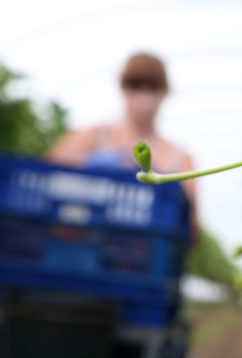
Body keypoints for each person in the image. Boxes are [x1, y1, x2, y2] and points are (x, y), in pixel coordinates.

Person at [48, 52, 198, 238]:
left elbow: (192, 228)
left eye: (153, 90)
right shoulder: (94, 137)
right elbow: (48, 175)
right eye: (136, 89)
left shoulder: (181, 159)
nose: (144, 101)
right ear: (123, 89)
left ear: (164, 93)